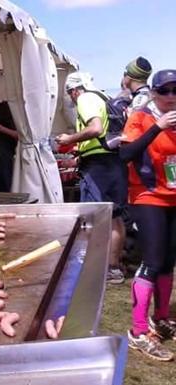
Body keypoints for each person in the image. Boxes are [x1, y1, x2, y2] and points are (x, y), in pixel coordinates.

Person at [119, 69, 176, 361]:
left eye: (175, 90)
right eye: (164, 91)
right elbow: (126, 155)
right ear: (153, 92)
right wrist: (159, 127)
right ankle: (138, 331)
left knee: (168, 261)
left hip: (174, 198)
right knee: (152, 261)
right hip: (147, 196)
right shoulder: (140, 117)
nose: (170, 96)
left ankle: (162, 318)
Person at [55, 72, 128, 284]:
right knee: (115, 216)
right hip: (114, 162)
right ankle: (113, 267)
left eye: (70, 94)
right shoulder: (102, 98)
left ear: (75, 90)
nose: (71, 99)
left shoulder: (85, 99)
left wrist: (69, 138)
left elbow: (95, 128)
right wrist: (81, 152)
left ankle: (95, 266)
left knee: (94, 217)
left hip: (98, 168)